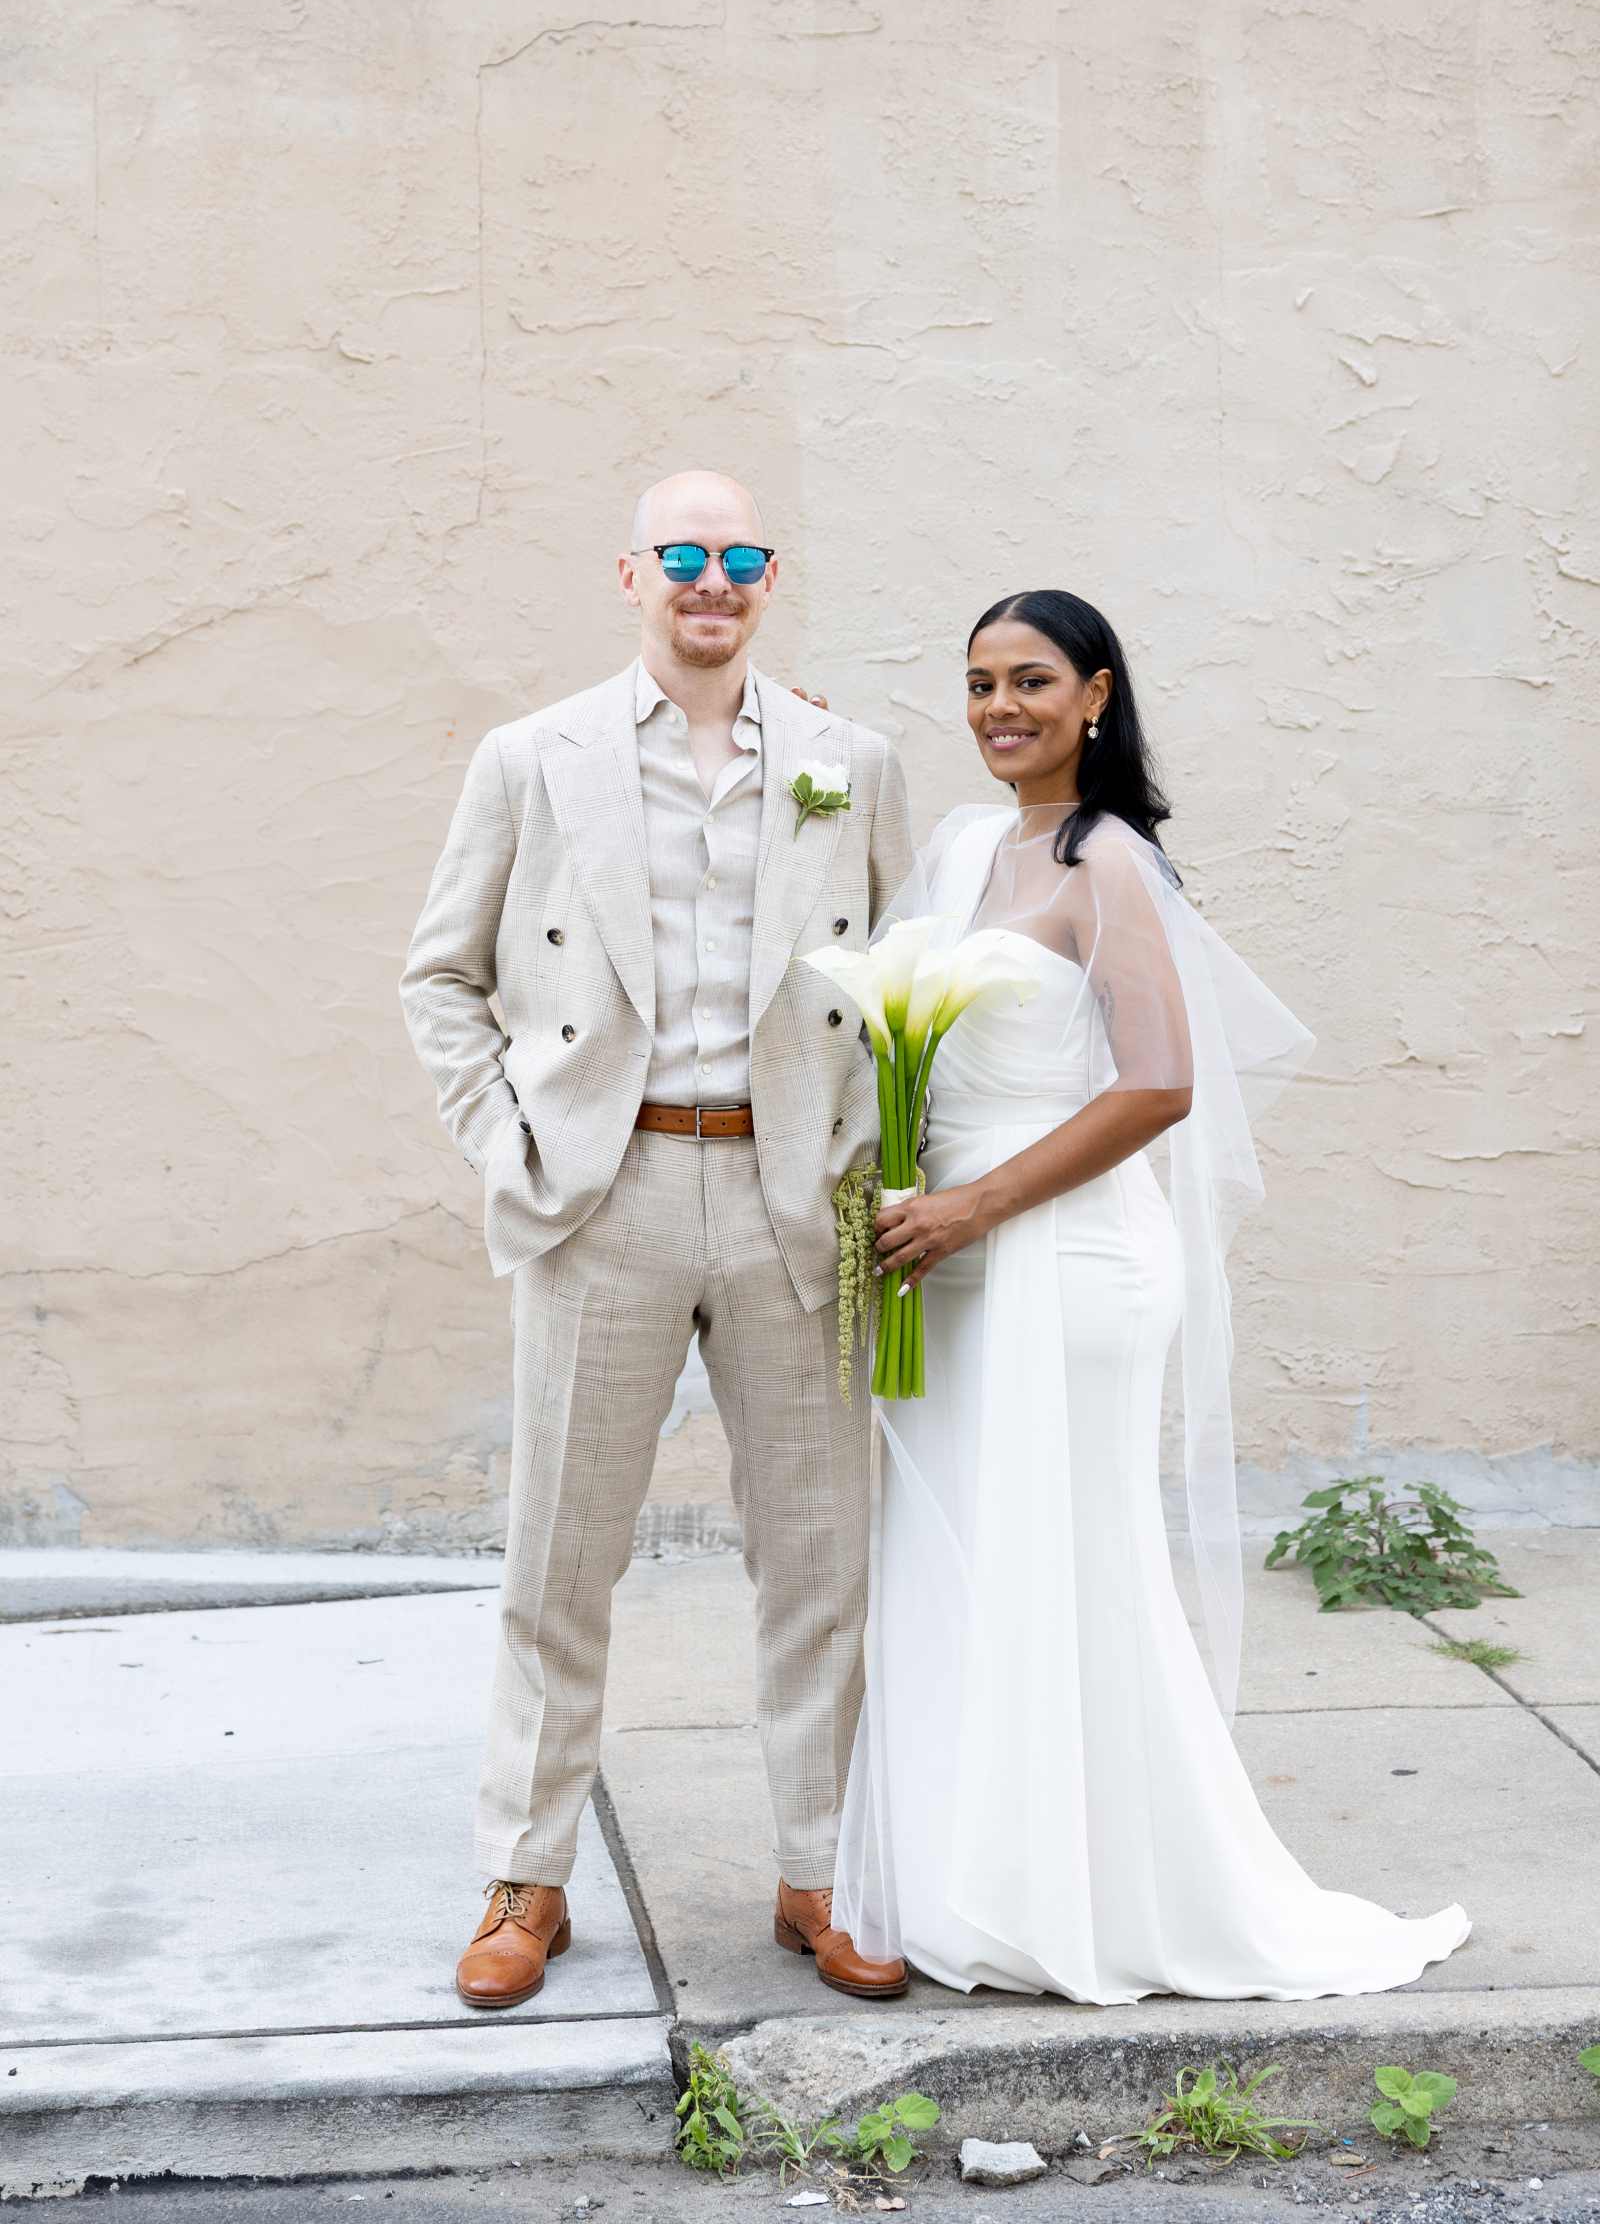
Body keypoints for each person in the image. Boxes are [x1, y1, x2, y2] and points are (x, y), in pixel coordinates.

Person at [833, 588, 1470, 2001]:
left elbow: (1161, 1086)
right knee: (962, 1562)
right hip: (946, 1257)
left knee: (1068, 1566)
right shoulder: (962, 849)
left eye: (1035, 681)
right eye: (982, 682)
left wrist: (978, 1204)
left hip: (1067, 1259)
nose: (1003, 707)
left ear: (1099, 698)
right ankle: (973, 1876)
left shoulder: (1111, 865)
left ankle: (1097, 1896)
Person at [401, 471, 914, 2007]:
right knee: (560, 1559)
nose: (713, 577)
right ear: (629, 574)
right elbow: (440, 979)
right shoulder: (530, 757)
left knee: (820, 1555)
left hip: (795, 1203)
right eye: (683, 554)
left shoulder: (852, 759)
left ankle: (825, 1868)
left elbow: (906, 977)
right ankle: (526, 1875)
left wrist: (879, 1167)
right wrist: (521, 1146)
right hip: (605, 1196)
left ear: (770, 580)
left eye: (741, 556)